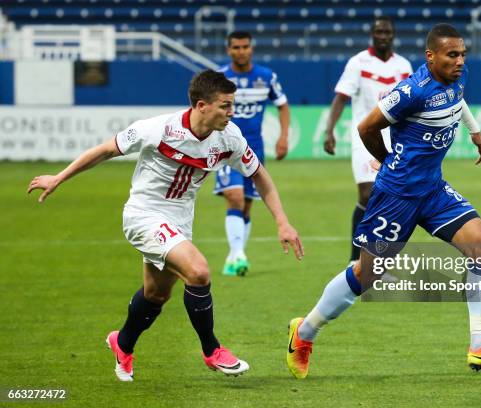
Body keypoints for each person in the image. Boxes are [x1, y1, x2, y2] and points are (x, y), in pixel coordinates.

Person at [27, 70, 304, 381]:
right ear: (202, 106)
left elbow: (259, 175)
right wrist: (58, 178)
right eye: (225, 106)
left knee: (156, 294)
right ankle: (212, 350)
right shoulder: (157, 129)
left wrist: (283, 222)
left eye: (232, 105)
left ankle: (123, 342)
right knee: (198, 272)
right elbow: (105, 150)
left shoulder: (230, 138)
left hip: (179, 223)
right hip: (143, 215)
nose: (232, 112)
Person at [287, 24, 481, 379]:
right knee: (367, 274)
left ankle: (479, 345)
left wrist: (474, 130)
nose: (460, 61)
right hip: (396, 196)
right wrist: (388, 161)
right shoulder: (411, 91)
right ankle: (304, 332)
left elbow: (459, 100)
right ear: (431, 56)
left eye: (463, 54)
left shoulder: (457, 77)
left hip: (432, 190)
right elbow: (366, 127)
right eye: (452, 55)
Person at [323, 16, 413, 263]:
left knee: (390, 197)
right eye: (378, 32)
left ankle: (378, 261)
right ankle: (355, 261)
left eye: (387, 32)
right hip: (364, 136)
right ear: (372, 35)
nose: (382, 36)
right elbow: (341, 97)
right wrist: (329, 130)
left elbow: (412, 103)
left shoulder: (403, 66)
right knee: (367, 194)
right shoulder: (358, 62)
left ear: (393, 35)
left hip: (394, 139)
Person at [214, 31, 291, 277]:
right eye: (235, 47)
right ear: (229, 50)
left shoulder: (266, 77)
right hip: (225, 147)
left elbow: (282, 105)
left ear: (251, 48)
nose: (241, 51)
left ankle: (234, 257)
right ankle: (238, 254)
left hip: (254, 149)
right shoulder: (219, 78)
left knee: (246, 206)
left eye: (245, 46)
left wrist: (283, 136)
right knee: (234, 197)